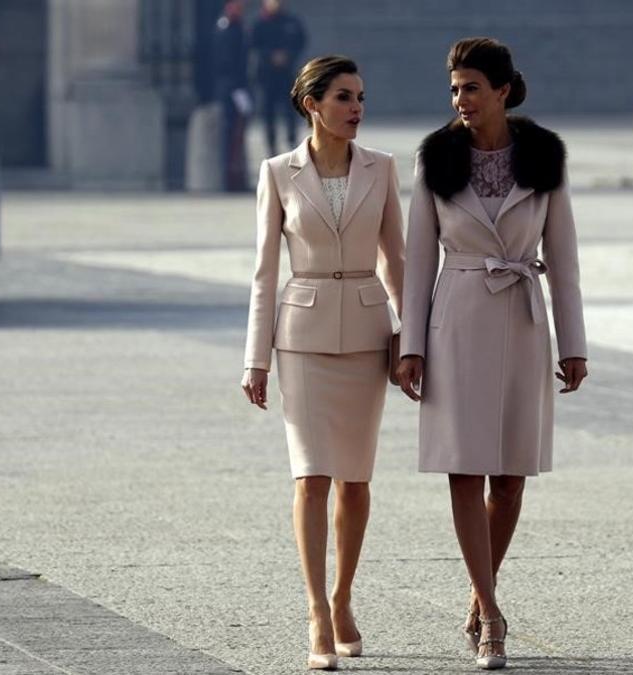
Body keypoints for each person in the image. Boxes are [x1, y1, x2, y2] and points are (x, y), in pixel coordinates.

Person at [395, 37, 588, 670]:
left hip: (525, 320)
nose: (460, 100)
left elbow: (563, 260)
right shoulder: (435, 159)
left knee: (509, 478)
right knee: (464, 465)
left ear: (503, 90)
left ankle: (480, 598)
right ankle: (492, 613)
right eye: (454, 90)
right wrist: (412, 346)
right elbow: (418, 261)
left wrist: (575, 344)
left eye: (472, 87)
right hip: (456, 320)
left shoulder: (544, 157)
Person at [241, 55, 404, 671]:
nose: (356, 107)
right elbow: (263, 273)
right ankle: (315, 609)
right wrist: (255, 359)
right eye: (343, 97)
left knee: (356, 481)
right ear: (313, 105)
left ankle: (343, 598)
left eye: (361, 96)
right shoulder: (278, 173)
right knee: (310, 477)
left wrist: (409, 339)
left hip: (365, 333)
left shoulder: (383, 168)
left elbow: (398, 261)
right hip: (302, 336)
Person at [252, 0, 308, 157]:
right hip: (267, 75)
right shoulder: (260, 24)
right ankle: (271, 145)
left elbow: (300, 41)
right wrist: (270, 56)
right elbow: (254, 45)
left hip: (286, 74)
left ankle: (291, 140)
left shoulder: (291, 22)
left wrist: (288, 56)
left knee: (290, 109)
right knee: (268, 112)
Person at [213, 0, 252, 192]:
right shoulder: (226, 28)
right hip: (231, 88)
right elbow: (227, 61)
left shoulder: (238, 26)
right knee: (231, 132)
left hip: (238, 86)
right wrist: (238, 88)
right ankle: (230, 177)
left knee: (238, 131)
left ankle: (237, 175)